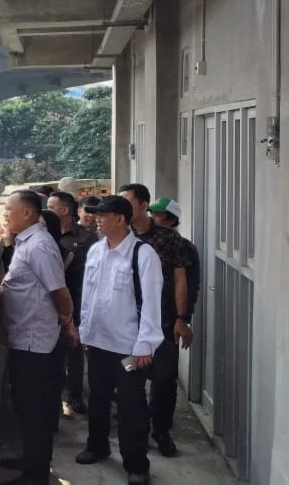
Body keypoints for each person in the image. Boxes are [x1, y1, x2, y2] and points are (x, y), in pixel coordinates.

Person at [76, 196, 164, 485]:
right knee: (98, 399)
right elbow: (88, 297)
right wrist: (85, 332)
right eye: (96, 215)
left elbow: (151, 303)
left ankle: (136, 464)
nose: (97, 219)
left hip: (128, 350)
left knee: (131, 406)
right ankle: (97, 446)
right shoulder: (96, 251)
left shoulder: (142, 254)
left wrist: (145, 345)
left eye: (104, 215)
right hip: (98, 344)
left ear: (121, 219)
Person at [0, 190, 78, 485]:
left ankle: (36, 475)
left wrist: (68, 324)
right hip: (25, 338)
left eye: (8, 209)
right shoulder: (25, 243)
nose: (4, 214)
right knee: (26, 406)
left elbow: (60, 292)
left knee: (35, 410)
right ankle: (32, 460)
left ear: (28, 213)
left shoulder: (40, 246)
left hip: (36, 343)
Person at [119, 184, 196, 458]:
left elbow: (180, 281)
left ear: (143, 205)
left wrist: (182, 319)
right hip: (126, 326)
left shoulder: (168, 240)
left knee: (164, 381)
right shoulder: (118, 238)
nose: (123, 208)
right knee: (130, 377)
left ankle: (161, 431)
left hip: (162, 325)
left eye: (128, 202)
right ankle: (135, 431)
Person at [48, 191, 98, 415]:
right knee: (52, 352)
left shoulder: (87, 238)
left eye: (51, 206)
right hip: (49, 302)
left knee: (75, 349)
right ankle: (55, 398)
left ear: (64, 210)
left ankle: (75, 396)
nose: (46, 210)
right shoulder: (45, 235)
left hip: (78, 299)